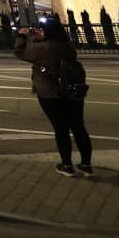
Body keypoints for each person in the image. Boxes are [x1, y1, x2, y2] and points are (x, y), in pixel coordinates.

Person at [14, 16, 94, 177]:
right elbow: (52, 49)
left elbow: (20, 52)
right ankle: (86, 165)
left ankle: (67, 165)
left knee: (61, 129)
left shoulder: (42, 48)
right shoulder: (67, 45)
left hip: (50, 93)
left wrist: (21, 35)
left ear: (47, 32)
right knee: (78, 127)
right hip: (73, 91)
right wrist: (42, 37)